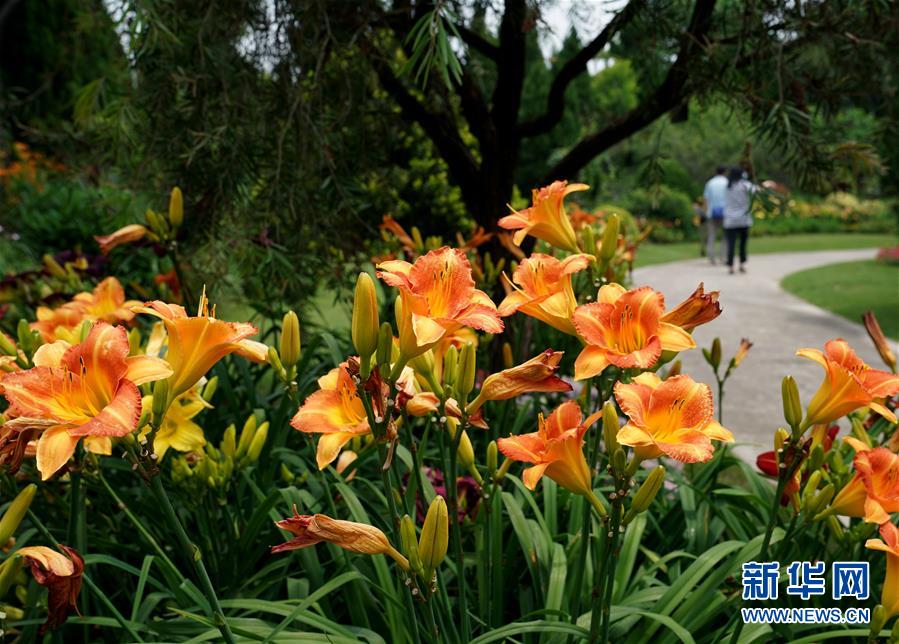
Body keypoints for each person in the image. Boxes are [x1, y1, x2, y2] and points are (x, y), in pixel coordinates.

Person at [723, 166, 757, 274]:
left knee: (731, 244)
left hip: (730, 219)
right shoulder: (745, 185)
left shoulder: (727, 186)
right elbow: (756, 190)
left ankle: (731, 266)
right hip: (743, 219)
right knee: (742, 243)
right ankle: (742, 264)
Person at [702, 166, 728, 264]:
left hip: (711, 212)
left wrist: (705, 211)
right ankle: (723, 256)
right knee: (725, 236)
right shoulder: (727, 182)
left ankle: (711, 257)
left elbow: (706, 198)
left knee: (711, 236)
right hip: (725, 212)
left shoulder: (710, 183)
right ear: (724, 172)